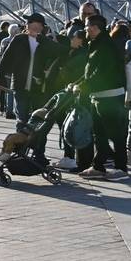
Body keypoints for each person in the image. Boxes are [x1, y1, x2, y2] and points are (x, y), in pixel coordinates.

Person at [0, 12, 59, 150]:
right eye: (30, 24)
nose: (31, 27)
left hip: (38, 87)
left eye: (35, 25)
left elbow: (60, 53)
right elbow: (6, 59)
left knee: (38, 121)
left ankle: (38, 152)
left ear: (41, 27)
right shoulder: (18, 39)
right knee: (21, 120)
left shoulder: (45, 41)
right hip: (20, 86)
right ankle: (19, 151)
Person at [78, 14, 130, 181]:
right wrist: (79, 82)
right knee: (99, 133)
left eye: (87, 27)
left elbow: (101, 72)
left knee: (115, 133)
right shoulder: (97, 44)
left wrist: (84, 85)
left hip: (110, 97)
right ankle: (98, 166)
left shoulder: (105, 45)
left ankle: (121, 168)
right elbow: (90, 71)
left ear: (94, 27)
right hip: (99, 96)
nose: (85, 30)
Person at [44, 26, 88, 171]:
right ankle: (71, 157)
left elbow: (67, 73)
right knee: (69, 124)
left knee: (68, 125)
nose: (71, 40)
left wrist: (60, 70)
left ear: (80, 40)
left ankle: (70, 158)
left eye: (73, 37)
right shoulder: (78, 52)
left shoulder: (80, 55)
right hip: (71, 93)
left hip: (70, 94)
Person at [0, 23, 21, 119]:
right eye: (18, 31)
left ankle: (9, 110)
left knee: (8, 91)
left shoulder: (4, 41)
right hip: (15, 69)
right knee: (14, 90)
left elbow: (0, 55)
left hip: (6, 69)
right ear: (15, 31)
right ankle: (13, 111)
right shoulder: (17, 41)